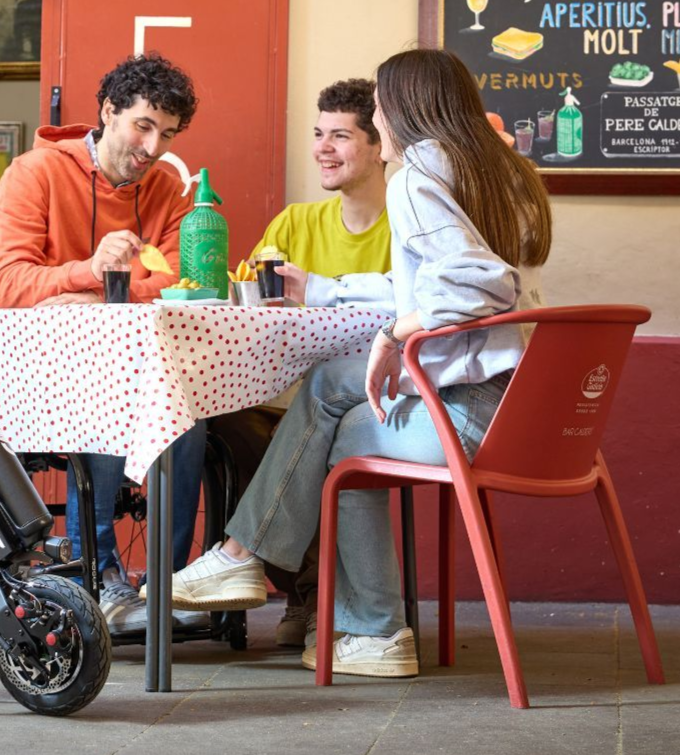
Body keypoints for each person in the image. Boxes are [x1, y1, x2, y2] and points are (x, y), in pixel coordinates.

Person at [160, 48, 551, 678]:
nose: (378, 119)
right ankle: (282, 582)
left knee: (340, 435)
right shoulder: (500, 172)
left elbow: (481, 285)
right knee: (332, 397)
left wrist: (396, 333)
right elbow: (424, 282)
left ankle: (358, 620)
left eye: (379, 108)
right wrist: (327, 290)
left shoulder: (417, 175)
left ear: (402, 110)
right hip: (521, 408)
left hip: (467, 414)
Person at [0, 53, 207, 635]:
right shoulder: (33, 173)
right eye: (143, 126)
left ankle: (168, 583)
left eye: (168, 134)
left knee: (189, 414)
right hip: (32, 370)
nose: (153, 147)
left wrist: (89, 296)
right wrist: (90, 270)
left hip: (132, 365)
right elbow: (9, 285)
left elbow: (180, 283)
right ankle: (100, 575)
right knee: (111, 398)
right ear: (109, 111)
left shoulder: (168, 190)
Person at [204, 78, 391, 650]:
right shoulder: (293, 224)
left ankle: (300, 591)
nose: (322, 149)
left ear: (379, 145)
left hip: (368, 396)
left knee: (318, 432)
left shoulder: (407, 228)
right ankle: (307, 593)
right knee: (225, 424)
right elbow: (248, 315)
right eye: (318, 134)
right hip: (280, 393)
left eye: (341, 136)